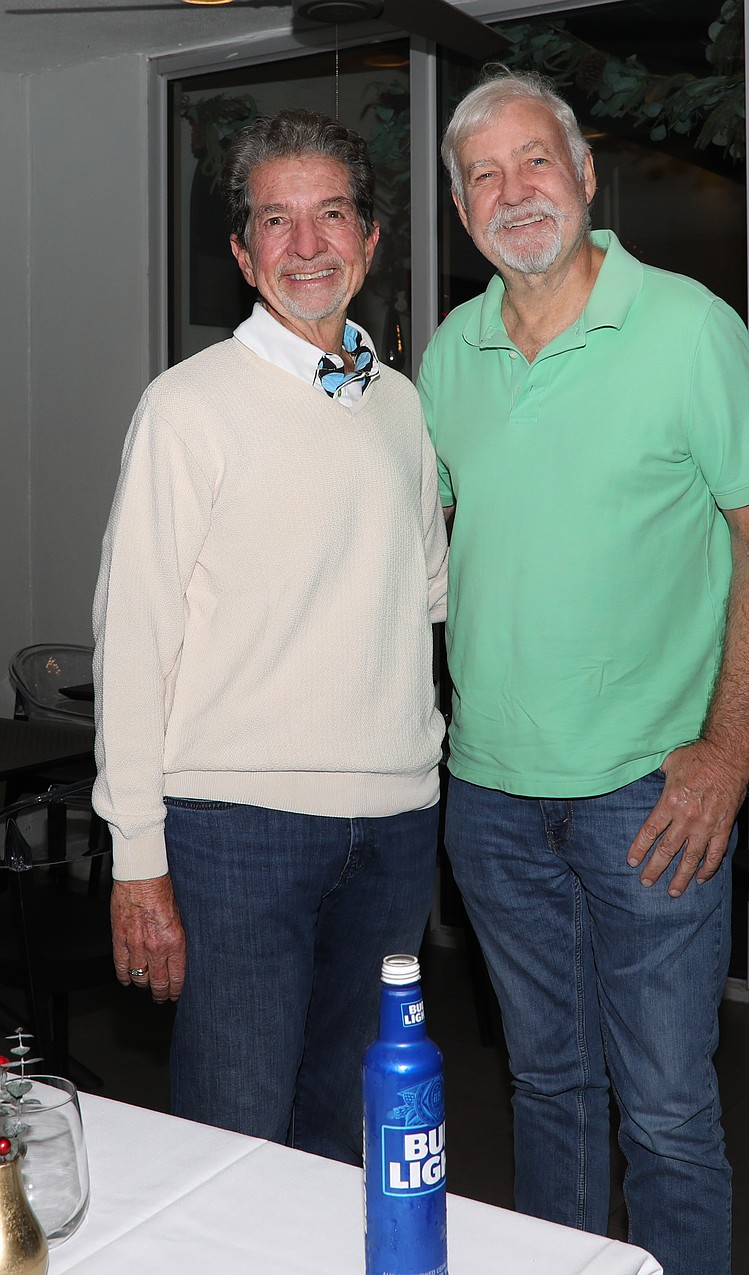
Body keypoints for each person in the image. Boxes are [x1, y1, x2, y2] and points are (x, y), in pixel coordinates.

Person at [417, 70, 749, 1275]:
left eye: (536, 161)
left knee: (670, 1112)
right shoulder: (450, 353)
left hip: (650, 795)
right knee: (544, 1089)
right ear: (458, 208)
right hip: (485, 794)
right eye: (483, 175)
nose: (513, 191)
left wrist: (730, 746)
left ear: (585, 175)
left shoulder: (686, 325)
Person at [92, 108, 448, 1164]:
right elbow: (131, 644)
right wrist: (136, 860)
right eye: (275, 222)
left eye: (330, 214)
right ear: (244, 255)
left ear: (370, 239)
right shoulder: (187, 409)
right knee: (235, 1141)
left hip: (392, 827)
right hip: (237, 832)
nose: (306, 246)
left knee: (357, 1132)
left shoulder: (400, 406)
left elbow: (424, 595)